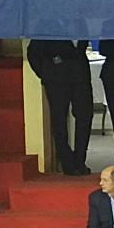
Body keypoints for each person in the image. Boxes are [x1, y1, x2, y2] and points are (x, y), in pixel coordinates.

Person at [27, 39, 93, 176]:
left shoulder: (80, 21)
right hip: (56, 80)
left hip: (81, 78)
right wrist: (45, 74)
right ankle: (67, 162)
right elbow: (32, 53)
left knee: (85, 117)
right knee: (59, 121)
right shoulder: (49, 23)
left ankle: (80, 160)